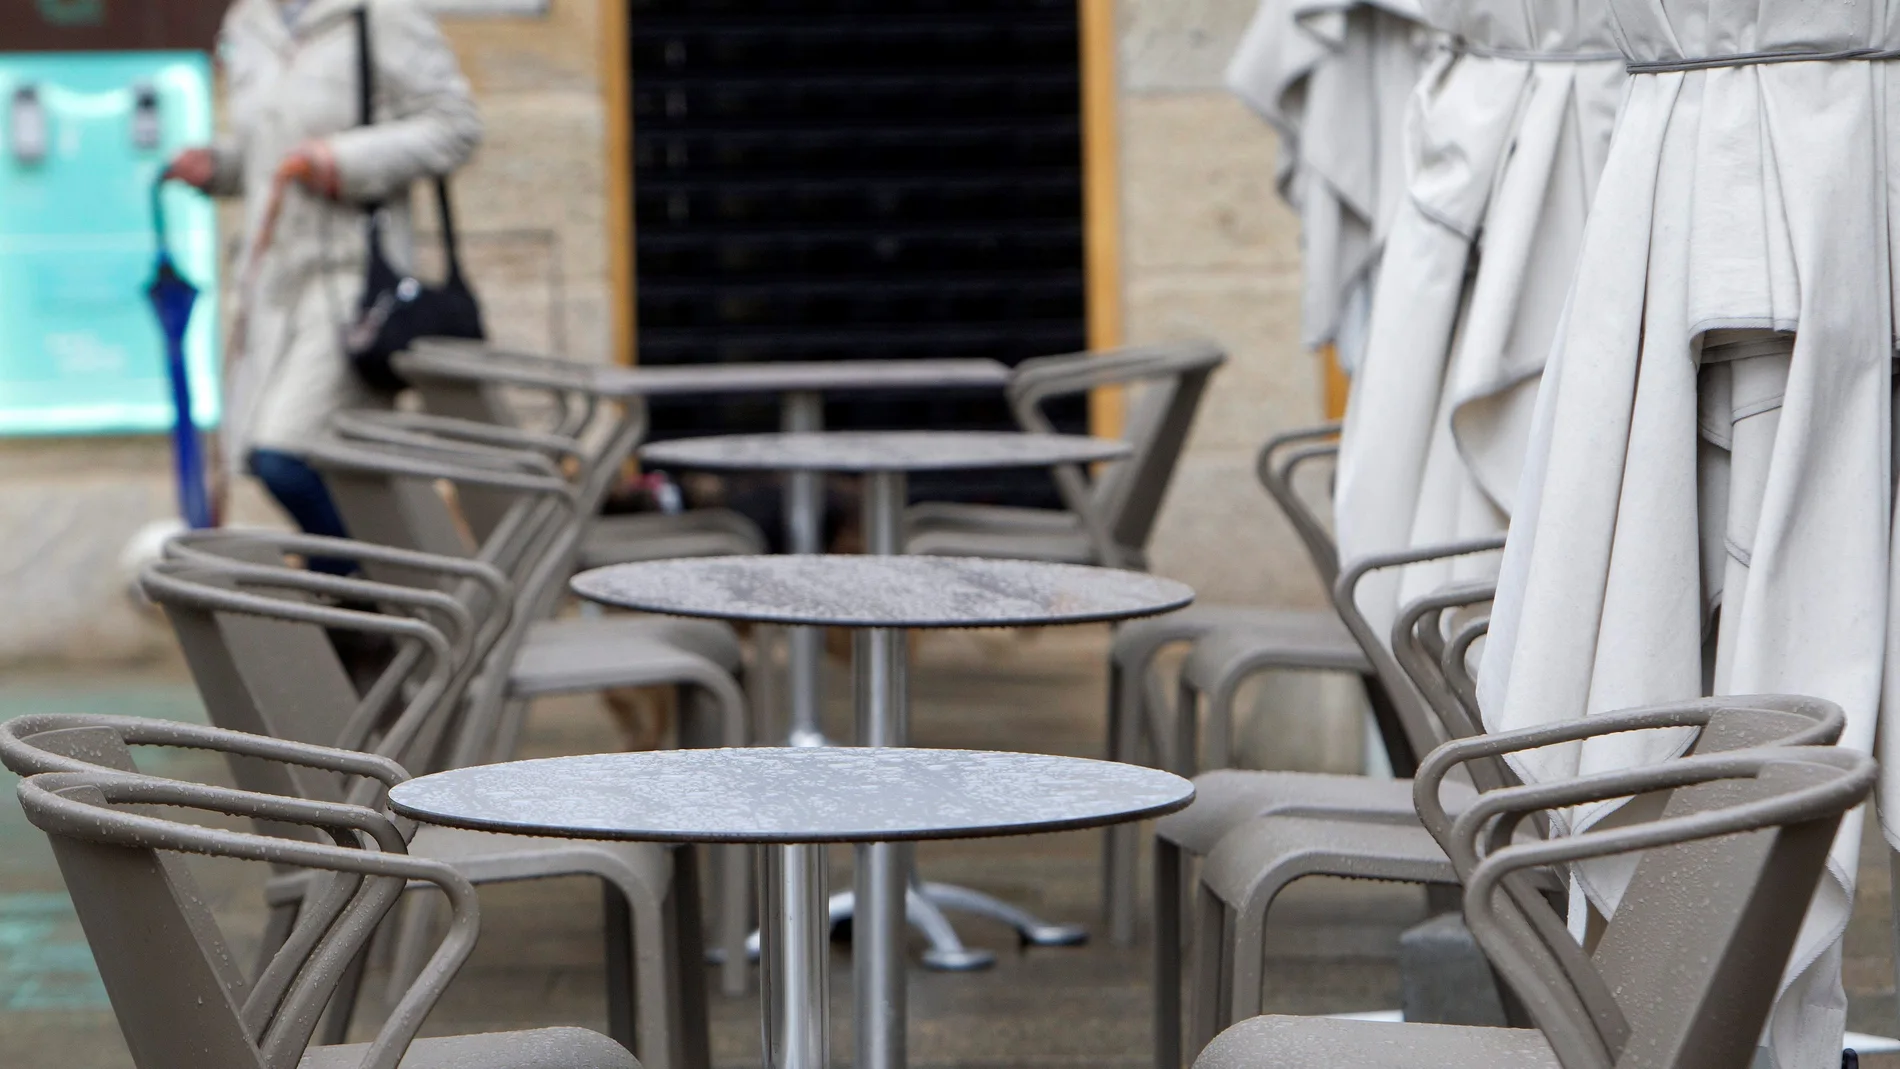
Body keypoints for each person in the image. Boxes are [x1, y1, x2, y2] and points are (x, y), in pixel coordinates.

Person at [166, 0, 481, 546]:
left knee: (284, 456)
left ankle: (377, 588)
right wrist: (221, 165)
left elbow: (456, 127)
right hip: (272, 287)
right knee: (275, 458)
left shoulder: (381, 14)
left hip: (353, 284)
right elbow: (270, 149)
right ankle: (366, 599)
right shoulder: (248, 21)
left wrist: (344, 159)